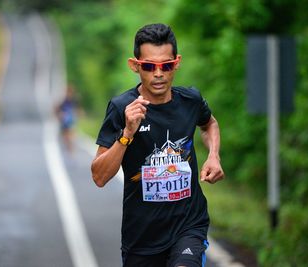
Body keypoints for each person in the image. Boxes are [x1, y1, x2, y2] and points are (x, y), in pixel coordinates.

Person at [91, 23, 224, 267]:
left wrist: (213, 155)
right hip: (141, 237)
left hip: (188, 225)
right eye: (150, 66)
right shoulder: (122, 108)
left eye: (166, 65)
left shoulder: (190, 101)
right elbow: (99, 176)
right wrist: (127, 134)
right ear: (135, 66)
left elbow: (210, 124)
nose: (159, 74)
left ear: (177, 62)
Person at [56, 85, 77, 153]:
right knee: (65, 134)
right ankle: (68, 145)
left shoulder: (74, 101)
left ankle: (70, 147)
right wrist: (60, 115)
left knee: (70, 133)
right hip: (65, 120)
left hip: (71, 119)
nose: (69, 94)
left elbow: (78, 109)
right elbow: (58, 109)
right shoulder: (64, 101)